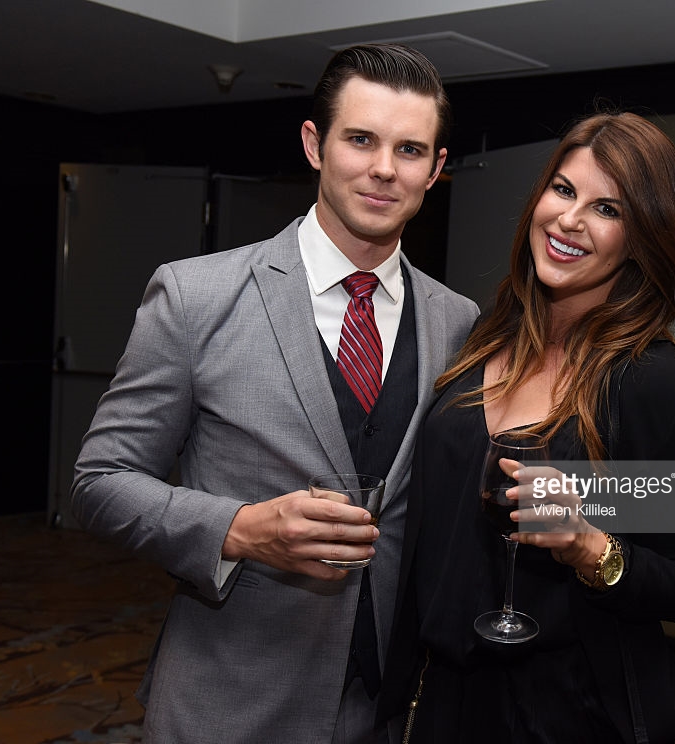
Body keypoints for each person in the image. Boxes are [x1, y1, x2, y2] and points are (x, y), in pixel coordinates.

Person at [70, 43, 479, 744]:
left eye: (410, 150)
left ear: (436, 170)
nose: (384, 168)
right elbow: (100, 483)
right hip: (231, 699)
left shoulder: (457, 321)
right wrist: (238, 530)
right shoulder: (196, 296)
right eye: (361, 139)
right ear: (314, 144)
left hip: (389, 708)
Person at [379, 111, 675, 743]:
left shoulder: (654, 387)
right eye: (563, 190)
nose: (569, 220)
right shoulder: (483, 336)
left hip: (560, 712)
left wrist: (589, 545)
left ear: (642, 239)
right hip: (439, 698)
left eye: (607, 209)